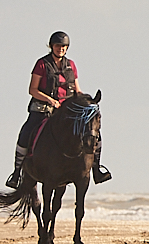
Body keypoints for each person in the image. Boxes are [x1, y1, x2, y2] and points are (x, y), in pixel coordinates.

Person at [9, 31, 112, 188]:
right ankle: (16, 173)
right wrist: (50, 100)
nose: (61, 49)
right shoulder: (42, 64)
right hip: (43, 108)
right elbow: (33, 90)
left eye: (64, 46)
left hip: (67, 110)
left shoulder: (71, 65)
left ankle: (97, 169)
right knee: (25, 132)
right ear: (52, 46)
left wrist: (87, 102)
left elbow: (77, 90)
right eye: (58, 46)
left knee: (94, 133)